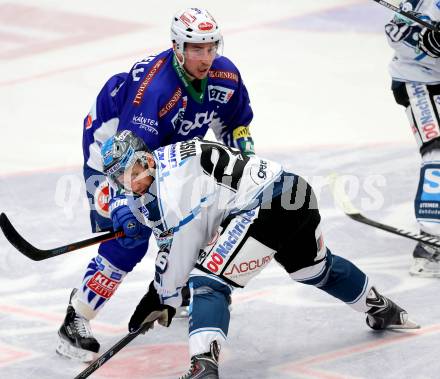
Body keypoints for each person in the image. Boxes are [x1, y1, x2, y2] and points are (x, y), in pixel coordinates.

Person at [101, 130, 418, 379]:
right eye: (121, 178)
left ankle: (203, 366)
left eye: (132, 171)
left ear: (147, 160)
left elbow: (185, 245)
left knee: (208, 281)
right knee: (314, 270)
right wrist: (160, 290)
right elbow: (185, 233)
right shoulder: (168, 162)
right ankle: (382, 308)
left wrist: (165, 296)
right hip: (296, 192)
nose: (130, 182)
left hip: (268, 206)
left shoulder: (172, 188)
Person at [56, 8, 255, 362]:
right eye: (196, 48)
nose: (205, 57)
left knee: (198, 218)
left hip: (166, 155)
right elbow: (126, 160)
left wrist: (243, 171)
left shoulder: (225, 75)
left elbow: (236, 127)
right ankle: (76, 319)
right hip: (109, 153)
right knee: (129, 236)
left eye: (210, 47)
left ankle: (174, 290)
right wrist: (120, 205)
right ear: (177, 47)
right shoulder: (155, 90)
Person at [384, 0, 440, 277]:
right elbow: (395, 31)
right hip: (420, 80)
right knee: (437, 151)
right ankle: (431, 246)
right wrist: (425, 40)